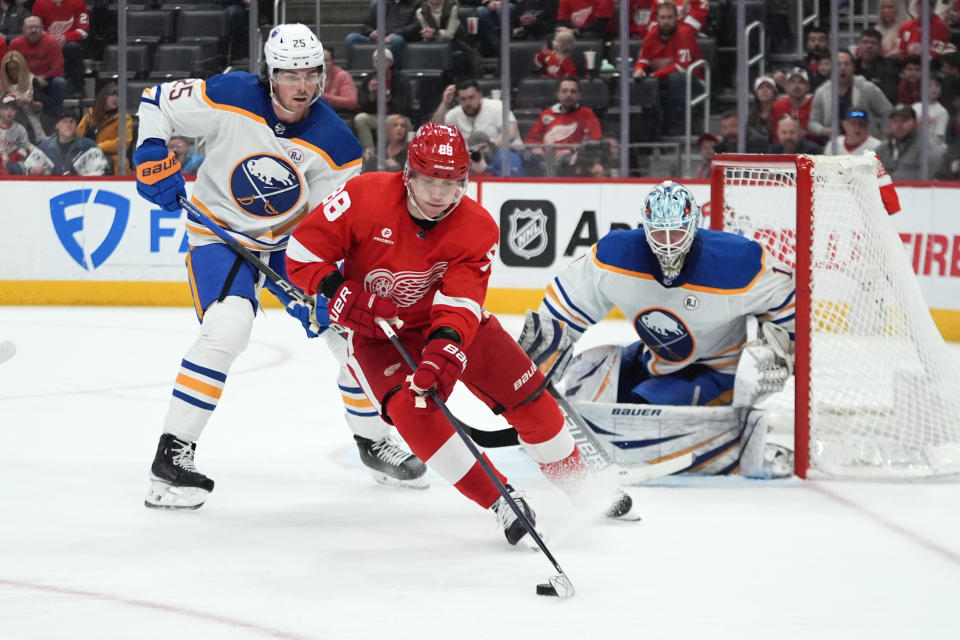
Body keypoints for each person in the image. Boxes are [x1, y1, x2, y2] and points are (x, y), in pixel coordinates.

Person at [286, 123, 639, 546]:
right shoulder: (364, 196)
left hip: (451, 325)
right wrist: (338, 292)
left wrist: (445, 348)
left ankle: (580, 485)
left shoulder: (477, 227)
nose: (439, 194)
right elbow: (303, 253)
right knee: (412, 411)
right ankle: (501, 500)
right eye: (430, 181)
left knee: (531, 399)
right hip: (378, 335)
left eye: (451, 183)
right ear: (409, 175)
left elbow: (460, 301)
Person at [133, 24, 428, 511]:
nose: (303, 85)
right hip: (219, 232)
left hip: (292, 247)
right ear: (270, 74)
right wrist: (147, 150)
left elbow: (329, 223)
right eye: (291, 74)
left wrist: (331, 282)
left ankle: (373, 442)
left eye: (312, 73)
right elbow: (156, 101)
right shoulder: (229, 93)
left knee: (352, 336)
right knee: (227, 327)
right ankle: (171, 458)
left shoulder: (338, 144)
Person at [517, 180, 796, 478]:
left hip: (715, 371)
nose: (667, 242)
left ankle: (721, 440)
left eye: (675, 231)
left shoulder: (737, 262)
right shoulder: (616, 256)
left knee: (638, 415)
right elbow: (563, 305)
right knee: (584, 374)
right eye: (659, 231)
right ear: (645, 226)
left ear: (693, 226)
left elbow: (789, 302)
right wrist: (529, 374)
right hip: (653, 359)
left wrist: (778, 351)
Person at [631, 1, 704, 137]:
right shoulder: (651, 35)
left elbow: (681, 67)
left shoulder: (685, 33)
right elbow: (643, 59)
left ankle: (677, 127)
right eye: (663, 18)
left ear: (677, 18)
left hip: (694, 84)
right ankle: (648, 133)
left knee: (676, 78)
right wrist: (639, 70)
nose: (666, 21)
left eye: (670, 17)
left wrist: (654, 76)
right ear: (657, 19)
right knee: (638, 81)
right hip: (665, 82)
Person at [808, 49, 892, 141]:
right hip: (835, 144)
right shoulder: (821, 92)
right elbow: (812, 122)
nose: (843, 68)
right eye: (838, 64)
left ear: (853, 68)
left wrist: (885, 136)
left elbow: (888, 112)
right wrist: (824, 130)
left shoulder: (867, 88)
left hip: (867, 143)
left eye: (847, 64)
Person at [524, 76, 601, 174]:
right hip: (545, 159)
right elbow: (532, 139)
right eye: (564, 91)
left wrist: (572, 151)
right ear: (558, 95)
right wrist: (537, 149)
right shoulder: (547, 114)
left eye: (573, 92)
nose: (568, 95)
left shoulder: (587, 114)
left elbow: (594, 141)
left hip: (571, 160)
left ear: (579, 96)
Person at [431, 78, 522, 149]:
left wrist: (488, 150)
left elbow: (511, 133)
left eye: (471, 98)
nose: (467, 103)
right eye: (463, 99)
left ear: (480, 96)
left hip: (503, 156)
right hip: (470, 162)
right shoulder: (455, 113)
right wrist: (445, 103)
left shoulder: (497, 106)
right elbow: (434, 133)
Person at [354, 49, 413, 157]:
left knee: (393, 120)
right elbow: (362, 106)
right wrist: (371, 94)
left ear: (390, 63)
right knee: (360, 118)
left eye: (383, 61)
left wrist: (386, 96)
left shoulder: (401, 79)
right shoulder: (369, 79)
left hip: (396, 116)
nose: (379, 65)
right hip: (377, 117)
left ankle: (392, 156)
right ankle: (370, 155)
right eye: (376, 62)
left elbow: (404, 107)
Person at [8, 16, 65, 125]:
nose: (33, 30)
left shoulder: (52, 42)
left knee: (60, 83)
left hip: (48, 81)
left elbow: (58, 68)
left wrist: (43, 77)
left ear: (42, 28)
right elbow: (12, 70)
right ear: (23, 29)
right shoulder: (16, 44)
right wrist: (32, 78)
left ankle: (54, 119)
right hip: (25, 83)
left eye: (36, 27)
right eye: (30, 28)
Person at [22, 109, 108, 175]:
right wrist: (32, 170)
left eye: (72, 122)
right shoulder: (45, 147)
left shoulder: (89, 146)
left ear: (76, 126)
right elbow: (28, 167)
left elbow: (101, 170)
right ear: (57, 125)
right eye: (65, 122)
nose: (69, 125)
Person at [30, 0, 87, 96]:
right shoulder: (39, 4)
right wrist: (51, 40)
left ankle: (78, 89)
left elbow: (84, 30)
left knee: (74, 48)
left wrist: (66, 38)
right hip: (46, 45)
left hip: (69, 45)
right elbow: (35, 29)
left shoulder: (78, 2)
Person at [876, 103, 945, 179]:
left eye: (904, 120)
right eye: (895, 121)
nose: (899, 125)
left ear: (915, 123)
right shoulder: (883, 148)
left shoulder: (927, 147)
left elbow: (925, 179)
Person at [415, 0, 481, 79]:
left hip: (456, 41)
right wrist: (435, 33)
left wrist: (435, 33)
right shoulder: (421, 11)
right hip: (433, 42)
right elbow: (426, 32)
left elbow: (449, 35)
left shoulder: (452, 7)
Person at [77, 82, 132, 174]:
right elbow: (77, 136)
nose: (116, 98)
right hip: (87, 159)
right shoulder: (90, 114)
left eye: (118, 96)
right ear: (103, 97)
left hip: (112, 163)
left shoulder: (124, 118)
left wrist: (97, 147)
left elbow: (123, 143)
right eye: (112, 95)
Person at [344, 0, 420, 63]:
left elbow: (415, 27)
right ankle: (353, 69)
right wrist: (371, 33)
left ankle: (394, 72)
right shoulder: (379, 4)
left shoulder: (415, 4)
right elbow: (367, 25)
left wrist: (395, 34)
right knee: (351, 38)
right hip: (377, 39)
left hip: (398, 38)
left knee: (397, 40)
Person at [0, 49, 44, 140]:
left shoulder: (32, 81)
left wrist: (28, 103)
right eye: (10, 69)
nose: (13, 72)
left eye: (16, 68)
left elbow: (40, 106)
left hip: (30, 118)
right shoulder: (1, 84)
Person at [855, 27, 900, 104]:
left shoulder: (889, 67)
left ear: (880, 48)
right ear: (859, 45)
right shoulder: (852, 66)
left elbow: (890, 96)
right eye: (865, 42)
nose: (869, 46)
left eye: (873, 43)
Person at [770, 67, 813, 143]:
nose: (796, 86)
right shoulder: (778, 106)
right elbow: (775, 135)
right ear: (786, 87)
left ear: (808, 87)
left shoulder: (815, 104)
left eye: (801, 82)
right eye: (792, 82)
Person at [320, 45, 358, 112]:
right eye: (320, 61)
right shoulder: (308, 76)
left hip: (337, 114)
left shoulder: (342, 76)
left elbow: (351, 102)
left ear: (333, 61)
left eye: (326, 60)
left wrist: (323, 98)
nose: (323, 64)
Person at [0, 92, 31, 172]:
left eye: (13, 109)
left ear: (16, 112)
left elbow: (26, 150)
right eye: (6, 108)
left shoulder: (20, 129)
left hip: (14, 164)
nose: (10, 111)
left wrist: (12, 158)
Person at [914, 74, 949, 143]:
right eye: (929, 86)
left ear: (941, 90)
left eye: (937, 86)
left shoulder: (942, 111)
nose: (934, 88)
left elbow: (939, 135)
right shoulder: (915, 106)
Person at [747, 76, 777, 144]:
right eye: (760, 88)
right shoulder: (751, 116)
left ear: (774, 92)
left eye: (768, 87)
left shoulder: (780, 112)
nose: (764, 90)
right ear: (756, 93)